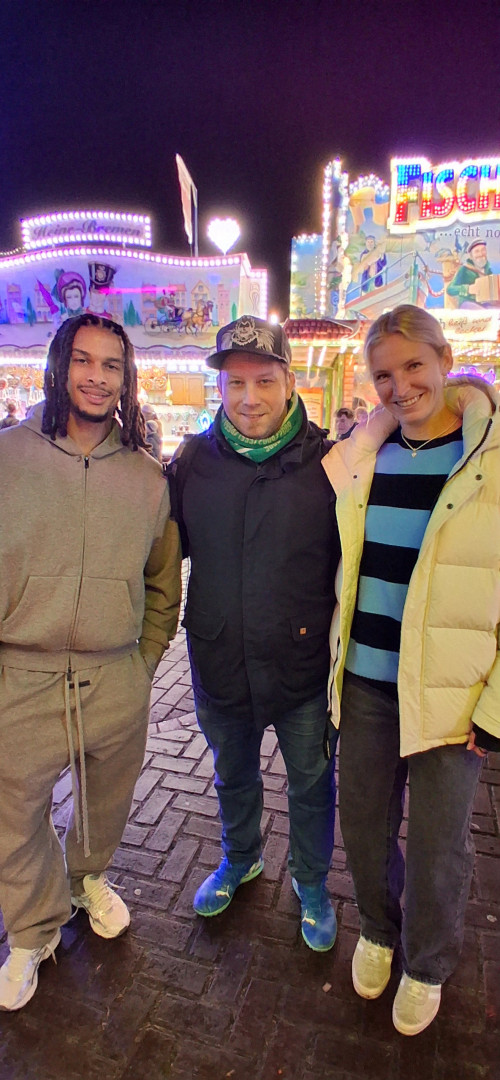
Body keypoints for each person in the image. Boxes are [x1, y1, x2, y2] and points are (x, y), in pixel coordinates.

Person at [322, 303, 500, 1036]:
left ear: (445, 358)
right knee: (362, 825)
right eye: (384, 375)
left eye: (414, 367)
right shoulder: (371, 457)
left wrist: (494, 713)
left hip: (451, 697)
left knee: (437, 845)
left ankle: (426, 962)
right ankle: (377, 927)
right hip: (365, 681)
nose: (400, 386)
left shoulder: (488, 462)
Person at [0, 314, 181, 1011]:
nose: (96, 376)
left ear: (126, 378)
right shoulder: (10, 456)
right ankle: (31, 931)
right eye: (84, 360)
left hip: (114, 676)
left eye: (111, 364)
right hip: (23, 673)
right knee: (14, 815)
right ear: (59, 364)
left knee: (106, 804)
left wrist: (145, 662)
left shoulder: (147, 477)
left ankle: (87, 879)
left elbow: (165, 583)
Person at [168, 315, 340, 951]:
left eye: (264, 380)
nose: (249, 398)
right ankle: (240, 859)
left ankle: (313, 881)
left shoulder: (330, 462)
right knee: (232, 775)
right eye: (235, 383)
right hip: (219, 660)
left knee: (312, 782)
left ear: (289, 381)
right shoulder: (192, 463)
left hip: (300, 669)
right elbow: (159, 553)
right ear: (219, 388)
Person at [446, 239, 494, 308]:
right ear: (471, 256)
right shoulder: (464, 269)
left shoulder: (489, 271)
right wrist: (468, 289)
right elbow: (450, 289)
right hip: (468, 303)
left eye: (483, 250)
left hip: (486, 304)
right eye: (477, 251)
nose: (481, 254)